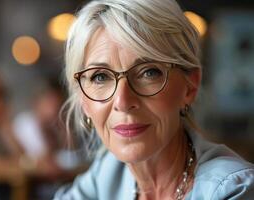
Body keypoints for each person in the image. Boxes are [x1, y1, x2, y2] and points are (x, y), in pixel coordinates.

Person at [53, 0, 254, 199]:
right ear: (83, 100)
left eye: (149, 73)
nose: (122, 101)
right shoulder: (109, 173)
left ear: (190, 86)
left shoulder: (232, 191)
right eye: (100, 77)